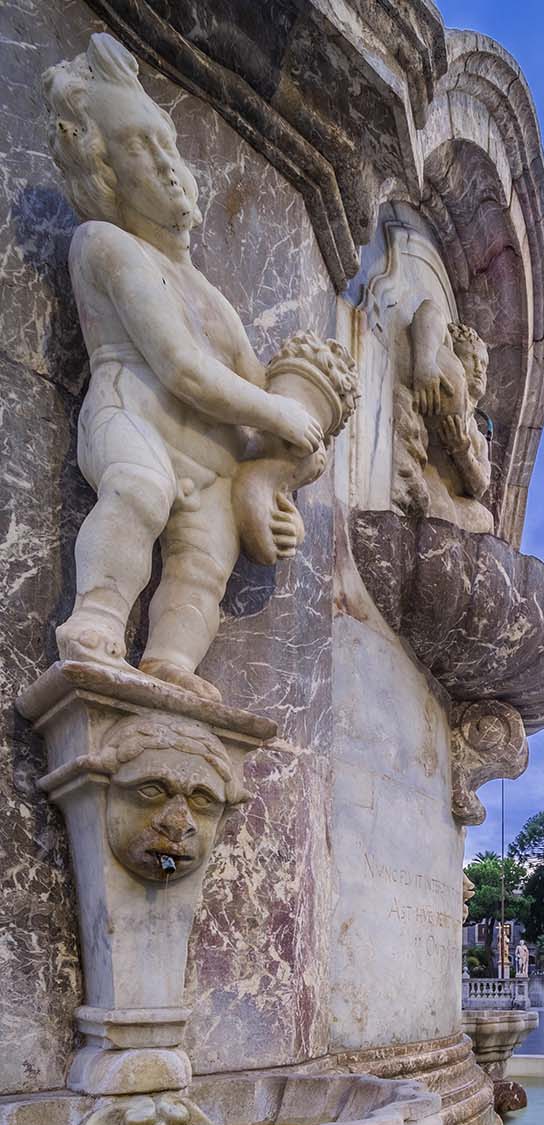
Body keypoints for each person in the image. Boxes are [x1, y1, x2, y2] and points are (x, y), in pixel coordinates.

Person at [45, 33, 329, 695]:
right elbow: (182, 369)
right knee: (137, 494)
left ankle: (171, 662)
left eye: (168, 145)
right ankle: (98, 618)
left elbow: (266, 412)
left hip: (213, 462)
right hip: (133, 414)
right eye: (142, 150)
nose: (169, 166)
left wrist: (283, 474)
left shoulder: (216, 302)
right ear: (104, 169)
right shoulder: (107, 245)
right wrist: (280, 413)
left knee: (204, 565)